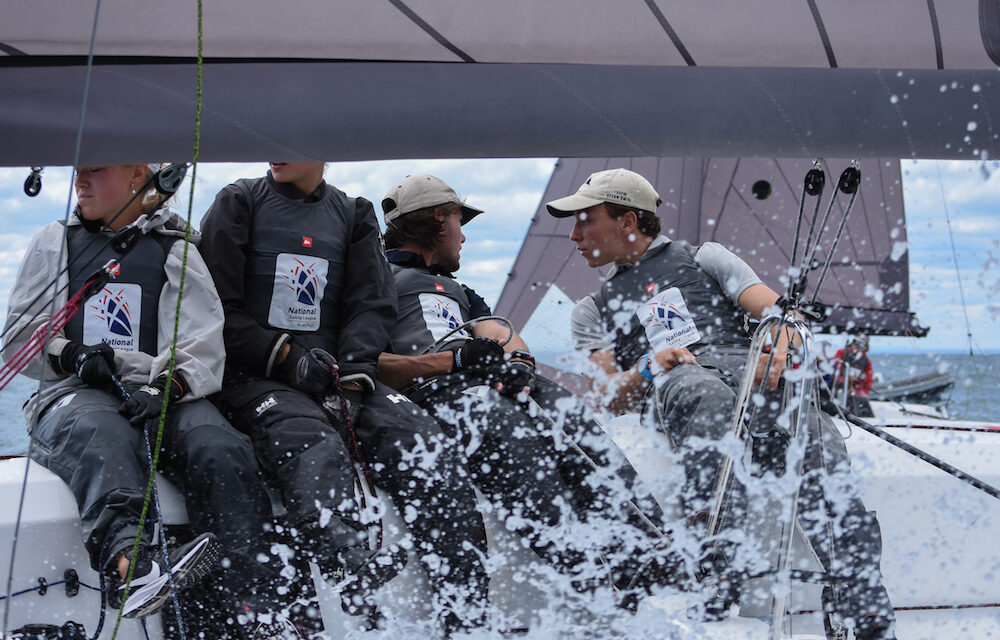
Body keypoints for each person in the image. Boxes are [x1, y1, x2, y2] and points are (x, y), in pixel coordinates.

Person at [545, 168, 897, 639]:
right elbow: (610, 396)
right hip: (681, 386)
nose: (573, 235)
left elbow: (780, 313)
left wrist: (781, 337)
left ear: (627, 220)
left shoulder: (705, 257)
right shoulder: (590, 309)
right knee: (698, 389)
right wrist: (651, 365)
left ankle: (861, 602)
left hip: (752, 375)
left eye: (584, 220)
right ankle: (718, 566)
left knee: (812, 438)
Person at [199, 162, 492, 635]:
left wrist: (355, 377)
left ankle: (467, 616)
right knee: (311, 439)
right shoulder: (240, 202)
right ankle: (346, 567)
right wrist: (287, 357)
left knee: (422, 439)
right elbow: (213, 308)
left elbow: (371, 304)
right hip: (254, 378)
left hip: (339, 377)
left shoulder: (354, 213)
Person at [376, 173, 685, 616]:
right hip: (432, 395)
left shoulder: (461, 290)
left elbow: (501, 333)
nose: (463, 236)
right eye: (460, 223)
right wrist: (452, 364)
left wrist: (519, 366)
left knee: (562, 406)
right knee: (499, 424)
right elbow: (364, 363)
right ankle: (587, 574)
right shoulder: (377, 280)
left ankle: (645, 550)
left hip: (476, 383)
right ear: (438, 222)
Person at [1, 164, 281, 630]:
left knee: (220, 447)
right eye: (78, 171)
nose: (80, 181)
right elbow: (19, 340)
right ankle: (134, 569)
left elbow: (200, 343)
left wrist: (164, 386)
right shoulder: (55, 242)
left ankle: (248, 608)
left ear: (136, 175)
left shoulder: (177, 249)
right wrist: (70, 354)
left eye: (94, 171)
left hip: (162, 390)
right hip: (78, 392)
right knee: (102, 433)